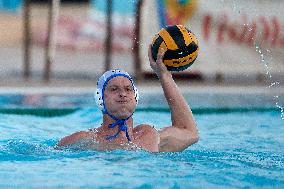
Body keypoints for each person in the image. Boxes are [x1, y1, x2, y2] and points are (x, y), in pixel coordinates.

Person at [57, 46, 199, 152]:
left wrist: (164, 76)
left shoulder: (149, 136)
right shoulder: (86, 140)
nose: (123, 94)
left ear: (135, 97)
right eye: (114, 89)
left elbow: (190, 132)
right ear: (100, 99)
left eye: (127, 89)